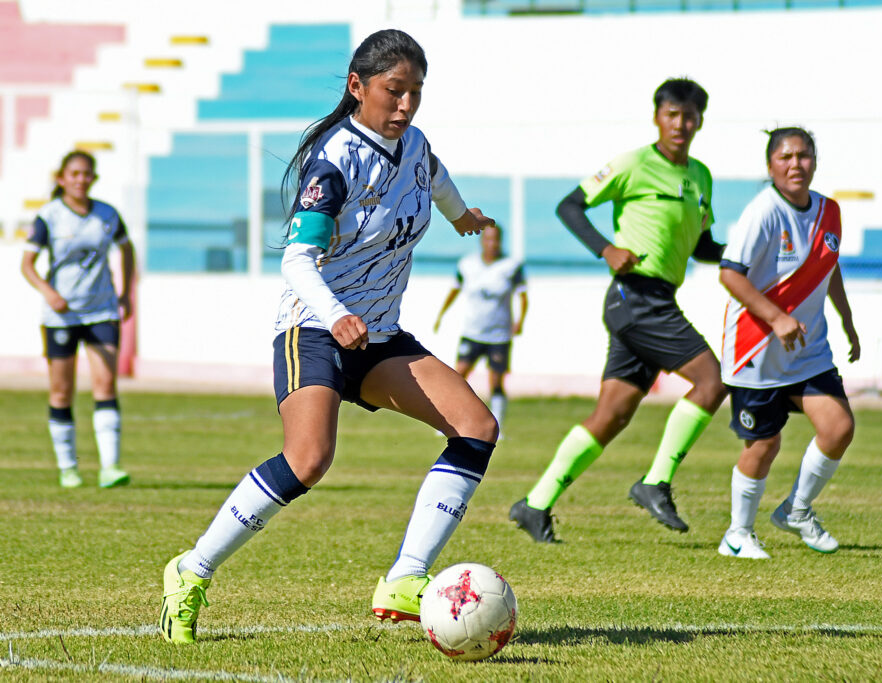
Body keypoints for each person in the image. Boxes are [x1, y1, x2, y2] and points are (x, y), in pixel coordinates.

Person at [159, 29, 497, 644]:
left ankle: (406, 576)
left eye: (415, 94)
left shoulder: (415, 144)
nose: (405, 107)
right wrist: (336, 313)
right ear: (357, 86)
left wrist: (463, 217)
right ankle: (191, 571)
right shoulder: (334, 162)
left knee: (476, 426)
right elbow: (296, 260)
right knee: (308, 460)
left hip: (378, 335)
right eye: (394, 92)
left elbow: (435, 179)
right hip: (313, 325)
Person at [509, 78, 728, 543]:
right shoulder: (634, 163)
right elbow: (570, 207)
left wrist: (744, 254)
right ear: (657, 117)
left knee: (610, 416)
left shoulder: (701, 177)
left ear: (700, 122)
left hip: (656, 301)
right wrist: (605, 248)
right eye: (672, 114)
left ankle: (535, 504)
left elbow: (704, 245)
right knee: (712, 381)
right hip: (635, 296)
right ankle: (656, 482)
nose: (681, 125)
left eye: (690, 117)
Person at [717, 127, 859, 559]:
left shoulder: (829, 212)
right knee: (764, 445)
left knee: (839, 428)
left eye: (804, 155)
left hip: (809, 351)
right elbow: (729, 273)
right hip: (756, 352)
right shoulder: (762, 213)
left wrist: (847, 319)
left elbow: (828, 268)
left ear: (815, 161)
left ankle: (797, 510)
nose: (796, 164)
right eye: (786, 156)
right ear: (770, 165)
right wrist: (777, 318)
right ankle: (737, 535)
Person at [21, 150, 134, 489]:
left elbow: (127, 249)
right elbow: (27, 264)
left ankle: (110, 468)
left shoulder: (107, 214)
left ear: (93, 178)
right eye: (74, 174)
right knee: (61, 391)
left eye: (87, 174)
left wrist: (126, 293)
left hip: (101, 311)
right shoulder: (49, 217)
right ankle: (68, 467)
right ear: (62, 178)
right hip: (61, 316)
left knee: (105, 385)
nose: (81, 179)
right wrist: (48, 292)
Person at [433, 223, 527, 433]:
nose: (491, 244)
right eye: (488, 239)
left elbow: (523, 296)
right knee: (458, 376)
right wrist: (441, 314)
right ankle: (445, 422)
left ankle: (498, 427)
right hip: (473, 332)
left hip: (499, 335)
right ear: (481, 241)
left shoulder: (511, 266)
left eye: (495, 239)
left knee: (496, 380)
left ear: (501, 241)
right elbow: (454, 290)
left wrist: (520, 321)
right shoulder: (467, 264)